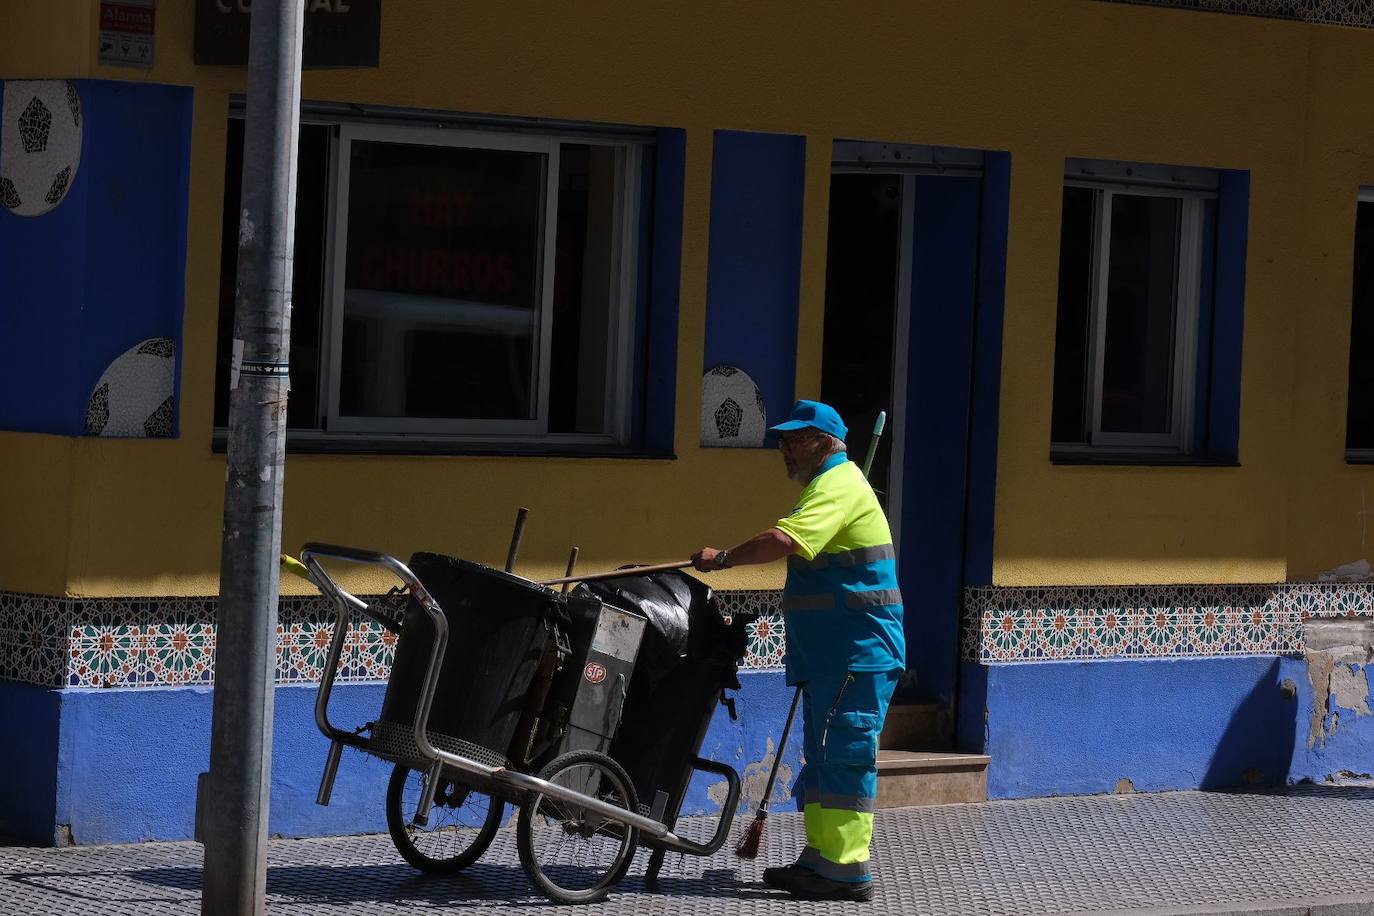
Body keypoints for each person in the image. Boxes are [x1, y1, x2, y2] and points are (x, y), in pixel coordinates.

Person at [692, 399, 905, 903]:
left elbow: (782, 541)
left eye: (794, 439)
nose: (784, 449)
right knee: (826, 759)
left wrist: (722, 559)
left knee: (846, 760)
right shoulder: (826, 487)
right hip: (833, 654)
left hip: (856, 652)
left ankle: (847, 871)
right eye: (783, 441)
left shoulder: (839, 485)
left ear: (823, 442)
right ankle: (822, 859)